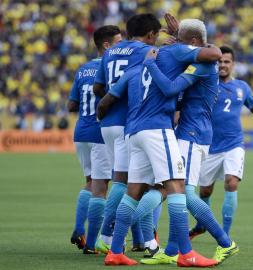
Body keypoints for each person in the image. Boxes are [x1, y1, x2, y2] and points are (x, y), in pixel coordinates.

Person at [103, 16, 221, 268]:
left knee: (133, 190)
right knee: (177, 185)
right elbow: (212, 53)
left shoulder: (137, 67)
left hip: (133, 132)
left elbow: (107, 99)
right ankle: (186, 253)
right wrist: (181, 40)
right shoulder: (175, 53)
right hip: (158, 129)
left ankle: (114, 251)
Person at [141, 19, 238, 265]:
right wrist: (178, 37)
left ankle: (226, 243)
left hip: (193, 134)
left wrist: (151, 64)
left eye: (184, 42)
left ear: (194, 43)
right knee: (176, 191)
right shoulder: (200, 59)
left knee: (185, 193)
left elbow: (171, 88)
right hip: (191, 132)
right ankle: (173, 251)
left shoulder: (203, 66)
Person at [189, 46, 253, 239]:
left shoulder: (242, 87)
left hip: (234, 144)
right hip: (209, 146)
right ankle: (201, 225)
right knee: (205, 189)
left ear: (233, 64)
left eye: (226, 61)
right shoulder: (205, 84)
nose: (222, 65)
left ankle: (225, 237)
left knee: (231, 183)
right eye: (219, 61)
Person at [93, 14, 163, 256]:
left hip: (108, 121)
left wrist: (111, 97)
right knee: (127, 183)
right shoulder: (143, 50)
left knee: (133, 181)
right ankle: (106, 236)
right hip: (128, 121)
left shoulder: (110, 51)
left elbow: (97, 87)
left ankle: (145, 240)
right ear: (151, 34)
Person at [67, 25, 122, 252]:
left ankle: (79, 229)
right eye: (118, 42)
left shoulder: (82, 70)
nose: (123, 46)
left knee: (89, 182)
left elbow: (71, 105)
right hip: (100, 133)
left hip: (81, 132)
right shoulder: (111, 69)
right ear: (107, 46)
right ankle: (90, 243)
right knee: (100, 187)